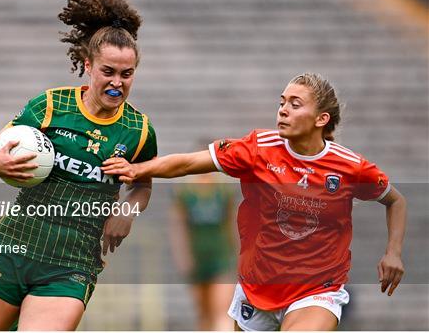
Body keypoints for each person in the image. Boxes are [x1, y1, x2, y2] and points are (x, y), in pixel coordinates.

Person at [103, 73, 406, 331]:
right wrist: (137, 169)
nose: (283, 110)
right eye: (282, 102)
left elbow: (395, 201)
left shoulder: (349, 167)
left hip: (317, 290)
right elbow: (187, 163)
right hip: (257, 288)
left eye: (294, 104)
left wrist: (393, 252)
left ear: (321, 119)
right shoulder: (259, 148)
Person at [0, 0, 157, 331]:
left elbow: (143, 186)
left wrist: (126, 211)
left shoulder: (139, 131)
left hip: (71, 262)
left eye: (127, 74)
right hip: (14, 245)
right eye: (108, 71)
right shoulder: (50, 106)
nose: (117, 83)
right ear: (88, 64)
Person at [170, 169, 236, 330]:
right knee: (204, 314)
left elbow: (233, 224)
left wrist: (238, 256)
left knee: (221, 312)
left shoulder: (223, 191)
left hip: (221, 258)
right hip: (197, 259)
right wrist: (183, 257)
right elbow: (178, 227)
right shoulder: (185, 193)